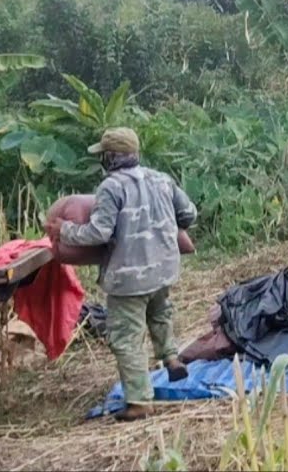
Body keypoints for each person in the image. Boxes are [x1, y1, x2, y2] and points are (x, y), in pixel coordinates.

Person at [49, 127, 197, 422]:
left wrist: (63, 230)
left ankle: (140, 402)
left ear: (110, 157)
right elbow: (189, 214)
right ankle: (170, 355)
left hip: (129, 278)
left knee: (126, 338)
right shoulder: (162, 179)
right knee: (159, 312)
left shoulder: (111, 188)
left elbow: (99, 232)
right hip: (164, 268)